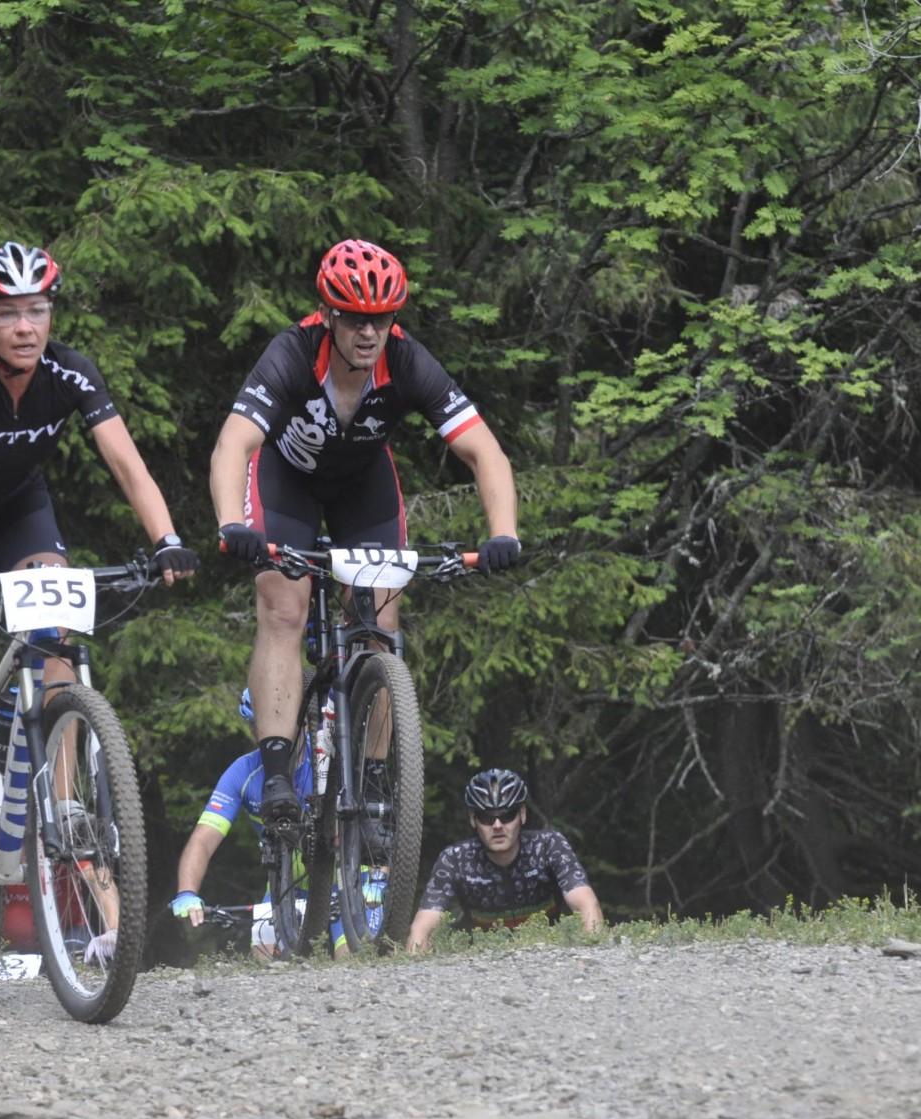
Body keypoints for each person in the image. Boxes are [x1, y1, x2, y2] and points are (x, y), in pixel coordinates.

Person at [0, 240, 198, 900]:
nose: (25, 327)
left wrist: (167, 538)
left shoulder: (72, 373)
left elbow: (127, 465)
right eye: (7, 313)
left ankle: (64, 804)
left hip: (16, 510)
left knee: (56, 639)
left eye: (36, 310)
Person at [208, 239, 521, 833]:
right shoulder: (293, 353)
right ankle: (277, 774)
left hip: (361, 486)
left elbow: (485, 451)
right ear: (328, 315)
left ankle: (373, 782)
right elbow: (234, 444)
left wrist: (503, 532)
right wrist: (232, 523)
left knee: (380, 625)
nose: (369, 332)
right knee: (284, 607)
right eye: (355, 318)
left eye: (382, 318)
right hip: (286, 481)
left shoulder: (407, 360)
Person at [169, 688, 375, 956]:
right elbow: (202, 841)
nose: (269, 731)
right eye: (259, 725)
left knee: (353, 958)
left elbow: (375, 821)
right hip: (287, 889)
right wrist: (187, 892)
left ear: (301, 721)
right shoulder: (242, 773)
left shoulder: (327, 758)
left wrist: (379, 876)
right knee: (263, 955)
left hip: (347, 881)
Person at [406, 768, 602, 954]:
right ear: (473, 819)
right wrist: (416, 969)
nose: (498, 826)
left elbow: (586, 904)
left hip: (549, 953)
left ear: (522, 814)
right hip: (483, 962)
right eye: (486, 818)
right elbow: (423, 926)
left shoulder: (548, 846)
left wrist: (589, 960)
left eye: (507, 815)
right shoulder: (455, 859)